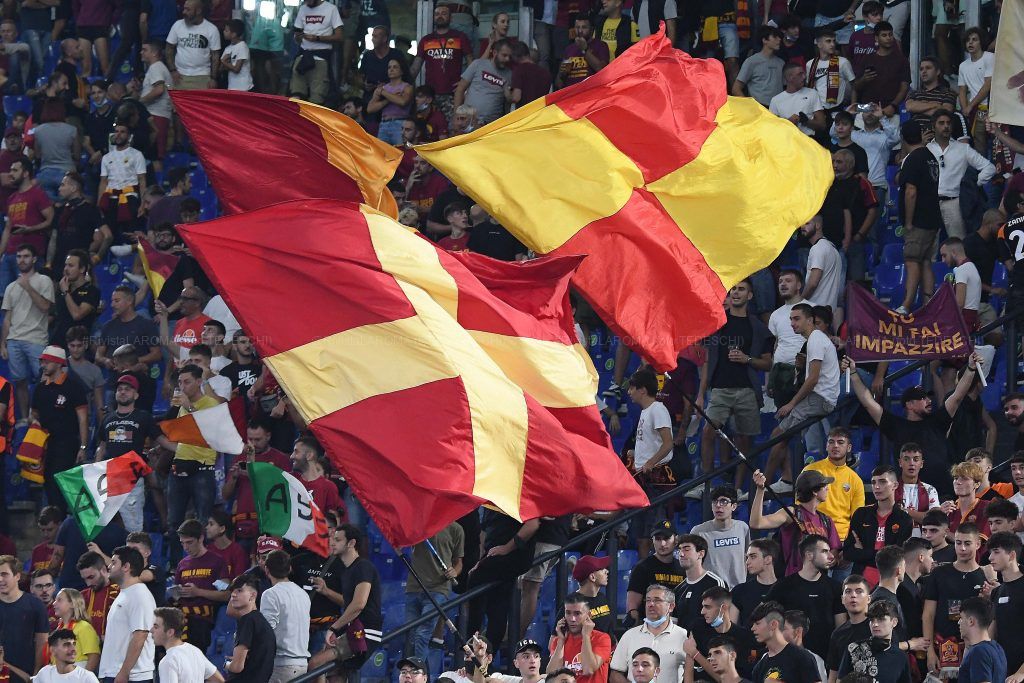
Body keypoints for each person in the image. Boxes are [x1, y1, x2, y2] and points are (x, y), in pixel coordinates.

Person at [842, 351, 983, 500]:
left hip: (944, 494)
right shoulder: (896, 425)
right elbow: (868, 402)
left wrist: (971, 369)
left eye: (928, 397)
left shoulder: (937, 421)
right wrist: (853, 373)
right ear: (909, 404)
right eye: (922, 398)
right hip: (909, 497)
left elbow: (958, 395)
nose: (928, 401)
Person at [697, 281, 772, 497]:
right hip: (719, 389)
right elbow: (707, 360)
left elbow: (768, 363)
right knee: (708, 433)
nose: (736, 293)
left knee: (744, 441)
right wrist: (701, 394)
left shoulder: (757, 326)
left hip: (747, 389)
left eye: (741, 289)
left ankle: (738, 490)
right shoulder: (717, 322)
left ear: (750, 295)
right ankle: (707, 483)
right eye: (733, 290)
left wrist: (746, 359)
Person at [761, 303, 841, 490]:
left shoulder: (815, 340)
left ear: (810, 320)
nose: (792, 323)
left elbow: (813, 379)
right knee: (779, 434)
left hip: (820, 399)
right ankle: (779, 480)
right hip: (818, 397)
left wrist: (791, 404)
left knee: (778, 434)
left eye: (796, 319)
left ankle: (763, 485)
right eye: (790, 319)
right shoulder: (815, 339)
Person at [309, 524, 383, 680]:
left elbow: (358, 604)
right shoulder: (347, 571)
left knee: (315, 664)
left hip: (365, 632)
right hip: (352, 630)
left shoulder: (363, 567)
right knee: (335, 675)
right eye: (332, 539)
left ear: (351, 543)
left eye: (337, 539)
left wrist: (334, 628)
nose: (332, 542)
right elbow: (350, 603)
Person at [922, 523, 986, 676]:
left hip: (974, 648)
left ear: (977, 544)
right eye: (958, 543)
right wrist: (930, 651)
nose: (962, 548)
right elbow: (928, 615)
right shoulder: (939, 573)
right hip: (941, 645)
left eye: (967, 543)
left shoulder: (985, 576)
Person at [31, 345, 89, 514]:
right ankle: (54, 522)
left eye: (47, 361)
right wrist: (33, 421)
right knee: (48, 482)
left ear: (58, 363)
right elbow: (33, 413)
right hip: (45, 444)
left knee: (59, 481)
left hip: (66, 443)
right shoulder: (40, 388)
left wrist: (83, 447)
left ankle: (62, 522)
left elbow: (83, 418)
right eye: (43, 362)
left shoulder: (73, 387)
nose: (43, 365)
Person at [766, 534, 844, 659]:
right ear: (809, 555)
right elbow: (765, 619)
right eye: (824, 551)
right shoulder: (783, 587)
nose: (831, 556)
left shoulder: (835, 587)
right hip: (790, 657)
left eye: (829, 551)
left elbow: (841, 628)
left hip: (827, 658)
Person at [751, 470, 842, 575]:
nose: (828, 488)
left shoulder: (826, 520)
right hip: (793, 581)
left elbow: (834, 551)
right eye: (824, 486)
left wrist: (833, 558)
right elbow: (756, 523)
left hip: (819, 581)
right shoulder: (791, 513)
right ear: (814, 491)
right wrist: (760, 490)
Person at [2, 243, 55, 422]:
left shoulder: (43, 281)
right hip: (14, 340)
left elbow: (46, 307)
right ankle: (24, 418)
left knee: (43, 381)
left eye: (25, 256)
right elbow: (7, 318)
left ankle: (40, 418)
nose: (21, 260)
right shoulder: (10, 287)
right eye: (18, 256)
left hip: (36, 339)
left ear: (33, 259)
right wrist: (3, 343)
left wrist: (27, 287)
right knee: (20, 382)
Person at [925, 110, 995, 240]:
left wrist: (974, 184)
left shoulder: (963, 149)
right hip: (930, 202)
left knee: (960, 245)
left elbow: (989, 167)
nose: (946, 126)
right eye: (941, 123)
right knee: (929, 248)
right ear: (933, 126)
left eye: (948, 123)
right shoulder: (926, 148)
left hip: (954, 203)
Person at [842, 466, 914, 584]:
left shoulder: (904, 519)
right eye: (873, 482)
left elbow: (896, 559)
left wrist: (863, 552)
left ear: (895, 485)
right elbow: (848, 553)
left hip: (889, 582)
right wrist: (881, 553)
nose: (876, 487)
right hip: (860, 581)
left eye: (882, 482)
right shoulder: (861, 514)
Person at [99, 546, 156, 683]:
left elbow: (140, 636)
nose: (109, 566)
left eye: (114, 562)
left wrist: (124, 673)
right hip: (115, 672)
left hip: (132, 676)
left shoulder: (139, 595)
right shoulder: (125, 593)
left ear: (126, 567)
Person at [611, 584, 687, 683]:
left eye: (657, 600)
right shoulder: (629, 635)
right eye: (648, 600)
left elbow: (691, 672)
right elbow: (615, 673)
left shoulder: (683, 635)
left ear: (671, 606)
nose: (651, 604)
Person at [172, 518, 228, 654]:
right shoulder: (182, 564)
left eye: (189, 542)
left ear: (201, 538)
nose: (185, 547)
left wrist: (197, 592)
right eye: (182, 543)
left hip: (202, 620)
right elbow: (175, 595)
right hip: (181, 619)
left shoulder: (216, 562)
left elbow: (226, 594)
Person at [802, 427, 866, 543]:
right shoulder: (810, 471)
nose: (835, 446)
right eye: (831, 442)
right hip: (815, 536)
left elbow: (858, 518)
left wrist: (848, 544)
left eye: (840, 442)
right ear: (826, 446)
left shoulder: (855, 480)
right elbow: (800, 508)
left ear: (849, 448)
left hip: (843, 539)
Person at [410, 4, 472, 121]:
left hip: (452, 95)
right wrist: (404, 85)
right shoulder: (426, 40)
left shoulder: (460, 37)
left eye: (444, 14)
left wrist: (465, 84)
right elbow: (415, 67)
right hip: (429, 95)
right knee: (429, 129)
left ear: (450, 18)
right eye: (437, 14)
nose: (440, 16)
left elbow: (471, 62)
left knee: (451, 129)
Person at [686, 587, 759, 681]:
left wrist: (696, 654)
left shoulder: (744, 637)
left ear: (723, 608)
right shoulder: (697, 627)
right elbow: (689, 659)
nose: (702, 612)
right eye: (703, 606)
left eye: (708, 607)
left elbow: (729, 679)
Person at [260, 550, 310, 682]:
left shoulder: (270, 594)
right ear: (290, 568)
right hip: (302, 665)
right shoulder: (303, 594)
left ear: (266, 570)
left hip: (282, 665)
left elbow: (266, 632)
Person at [837, 600, 911, 683]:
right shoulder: (853, 649)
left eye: (881, 619)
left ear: (894, 622)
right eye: (871, 620)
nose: (875, 624)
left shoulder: (900, 657)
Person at [625, 521, 686, 623]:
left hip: (677, 624)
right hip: (649, 623)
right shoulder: (642, 567)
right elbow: (632, 606)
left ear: (675, 540)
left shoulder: (683, 567)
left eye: (666, 539)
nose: (662, 544)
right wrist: (633, 617)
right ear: (652, 541)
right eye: (658, 539)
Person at [691, 486, 751, 589]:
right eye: (715, 502)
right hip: (712, 591)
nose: (718, 505)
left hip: (738, 591)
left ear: (734, 506)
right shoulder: (699, 531)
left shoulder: (743, 528)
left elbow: (747, 557)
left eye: (723, 501)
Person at [749, 600, 823, 682]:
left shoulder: (802, 657)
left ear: (773, 624)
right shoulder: (760, 666)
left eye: (757, 623)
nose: (752, 628)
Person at [0, 554, 48, 679]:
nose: (0, 579)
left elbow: (42, 642)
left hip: (25, 675)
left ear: (17, 576)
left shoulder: (35, 605)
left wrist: (36, 674)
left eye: (4, 574)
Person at [546, 592, 612, 683]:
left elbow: (588, 669)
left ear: (589, 615)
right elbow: (551, 675)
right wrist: (561, 641)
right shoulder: (558, 641)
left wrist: (586, 636)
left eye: (577, 613)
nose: (572, 619)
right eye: (568, 613)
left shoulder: (602, 638)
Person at [152, 606, 224, 682]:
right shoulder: (195, 651)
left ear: (170, 632)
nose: (151, 630)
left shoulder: (168, 661)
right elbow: (219, 680)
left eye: (156, 627)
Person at [224, 574, 275, 681]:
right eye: (232, 591)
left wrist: (226, 665)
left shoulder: (248, 620)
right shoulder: (257, 620)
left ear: (252, 596)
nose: (233, 594)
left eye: (239, 590)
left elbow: (237, 667)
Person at [674, 535, 729, 630]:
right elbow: (675, 622)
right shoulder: (678, 589)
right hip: (684, 643)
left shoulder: (715, 583)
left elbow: (723, 620)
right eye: (680, 550)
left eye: (686, 549)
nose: (681, 554)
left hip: (708, 642)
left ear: (701, 554)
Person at [454, 39, 513, 126]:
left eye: (509, 56)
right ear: (495, 53)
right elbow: (460, 89)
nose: (507, 59)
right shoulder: (478, 64)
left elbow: (507, 104)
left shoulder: (509, 74)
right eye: (504, 55)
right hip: (469, 121)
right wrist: (456, 116)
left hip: (492, 125)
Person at [166, 0, 221, 91]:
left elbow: (215, 56)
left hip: (202, 77)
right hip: (179, 76)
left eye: (188, 10)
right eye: (184, 9)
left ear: (198, 11)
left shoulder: (211, 29)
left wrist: (213, 78)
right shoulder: (177, 25)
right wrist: (173, 70)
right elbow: (169, 48)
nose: (184, 12)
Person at [957, 28, 994, 154]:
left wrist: (970, 106)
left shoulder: (989, 57)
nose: (970, 43)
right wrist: (964, 108)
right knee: (978, 144)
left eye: (974, 40)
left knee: (992, 142)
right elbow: (962, 90)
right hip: (974, 111)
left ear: (981, 42)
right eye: (967, 40)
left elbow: (988, 84)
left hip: (990, 107)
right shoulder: (963, 65)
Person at [957, 597, 1006, 683]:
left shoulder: (979, 651)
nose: (959, 622)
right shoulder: (998, 648)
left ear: (971, 621)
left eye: (961, 618)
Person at [771, 62, 827, 136]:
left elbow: (822, 125)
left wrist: (806, 121)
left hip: (809, 141)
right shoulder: (775, 100)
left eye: (804, 73)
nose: (804, 77)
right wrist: (789, 122)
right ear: (789, 77)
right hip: (787, 142)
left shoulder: (812, 93)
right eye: (800, 74)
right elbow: (773, 130)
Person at [733, 26, 784, 106]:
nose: (779, 39)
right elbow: (736, 88)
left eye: (779, 37)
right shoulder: (751, 62)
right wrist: (750, 106)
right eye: (774, 37)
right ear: (764, 40)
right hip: (759, 109)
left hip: (778, 110)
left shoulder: (781, 63)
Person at [732, 539, 780, 626]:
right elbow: (731, 628)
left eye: (753, 557)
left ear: (768, 559)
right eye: (747, 558)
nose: (747, 562)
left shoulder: (787, 589)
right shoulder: (739, 591)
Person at [556, 15, 609, 89]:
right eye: (577, 27)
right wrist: (563, 74)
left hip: (591, 93)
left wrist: (585, 49)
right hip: (571, 94)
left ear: (592, 29)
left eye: (584, 27)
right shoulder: (569, 49)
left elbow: (602, 70)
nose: (580, 31)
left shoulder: (600, 45)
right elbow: (559, 83)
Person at [895, 443, 941, 526]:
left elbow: (934, 519)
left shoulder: (930, 489)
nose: (911, 463)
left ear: (922, 464)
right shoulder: (891, 488)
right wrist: (922, 515)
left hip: (923, 538)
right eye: (906, 459)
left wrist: (904, 511)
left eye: (916, 459)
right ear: (900, 462)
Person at [34, 629, 100, 683]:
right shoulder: (45, 673)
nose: (73, 649)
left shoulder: (86, 677)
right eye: (66, 645)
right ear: (53, 650)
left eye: (74, 644)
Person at [220, 19, 252, 92]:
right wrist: (225, 63)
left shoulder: (242, 46)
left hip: (243, 86)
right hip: (232, 86)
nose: (224, 32)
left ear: (234, 34)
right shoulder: (228, 48)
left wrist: (224, 62)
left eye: (226, 30)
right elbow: (221, 69)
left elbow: (236, 69)